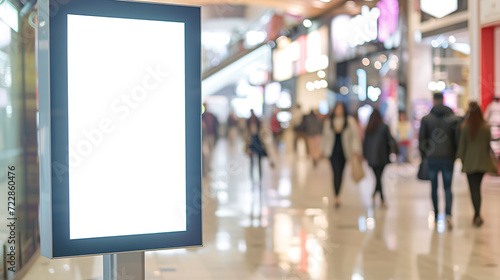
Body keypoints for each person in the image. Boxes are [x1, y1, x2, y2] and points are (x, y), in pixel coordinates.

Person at [419, 93, 460, 229]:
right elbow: (456, 140)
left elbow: (422, 140)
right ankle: (448, 214)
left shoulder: (426, 119)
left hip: (432, 158)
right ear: (443, 100)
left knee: (434, 187)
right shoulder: (452, 119)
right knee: (448, 187)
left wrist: (424, 155)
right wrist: (454, 155)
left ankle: (436, 215)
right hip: (448, 157)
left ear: (434, 101)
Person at [457, 101, 498, 227]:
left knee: (473, 189)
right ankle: (477, 214)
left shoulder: (465, 127)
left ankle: (476, 214)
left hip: (470, 163)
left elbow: (462, 147)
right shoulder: (485, 127)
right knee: (478, 189)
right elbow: (487, 145)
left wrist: (461, 159)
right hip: (482, 163)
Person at [321, 102, 362, 207]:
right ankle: (336, 196)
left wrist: (356, 150)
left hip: (344, 151)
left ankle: (337, 194)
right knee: (335, 173)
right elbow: (325, 138)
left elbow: (354, 137)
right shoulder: (329, 122)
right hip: (332, 152)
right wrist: (323, 151)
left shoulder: (349, 121)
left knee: (341, 173)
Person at [363, 109, 397, 208]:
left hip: (372, 157)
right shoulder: (384, 127)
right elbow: (391, 139)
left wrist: (365, 155)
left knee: (378, 177)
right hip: (382, 157)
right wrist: (395, 151)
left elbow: (365, 144)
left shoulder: (369, 128)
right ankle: (382, 198)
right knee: (379, 177)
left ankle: (375, 194)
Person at [245, 109, 269, 183]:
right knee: (251, 160)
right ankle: (251, 176)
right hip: (251, 142)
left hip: (258, 141)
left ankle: (260, 176)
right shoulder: (248, 122)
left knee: (259, 160)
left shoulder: (258, 122)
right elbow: (246, 133)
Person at [202, 103, 219, 173]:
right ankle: (204, 168)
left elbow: (215, 125)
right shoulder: (202, 116)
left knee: (211, 152)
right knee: (206, 153)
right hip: (205, 137)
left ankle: (208, 166)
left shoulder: (211, 115)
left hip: (212, 135)